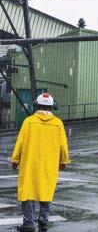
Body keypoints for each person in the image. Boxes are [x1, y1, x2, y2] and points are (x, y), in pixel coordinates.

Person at [11, 93, 70, 232]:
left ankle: (29, 223)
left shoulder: (29, 121)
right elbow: (63, 145)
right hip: (49, 165)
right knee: (46, 192)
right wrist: (64, 161)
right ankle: (43, 222)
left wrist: (15, 159)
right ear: (51, 107)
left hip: (30, 163)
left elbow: (20, 142)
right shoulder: (57, 124)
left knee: (28, 193)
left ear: (36, 105)